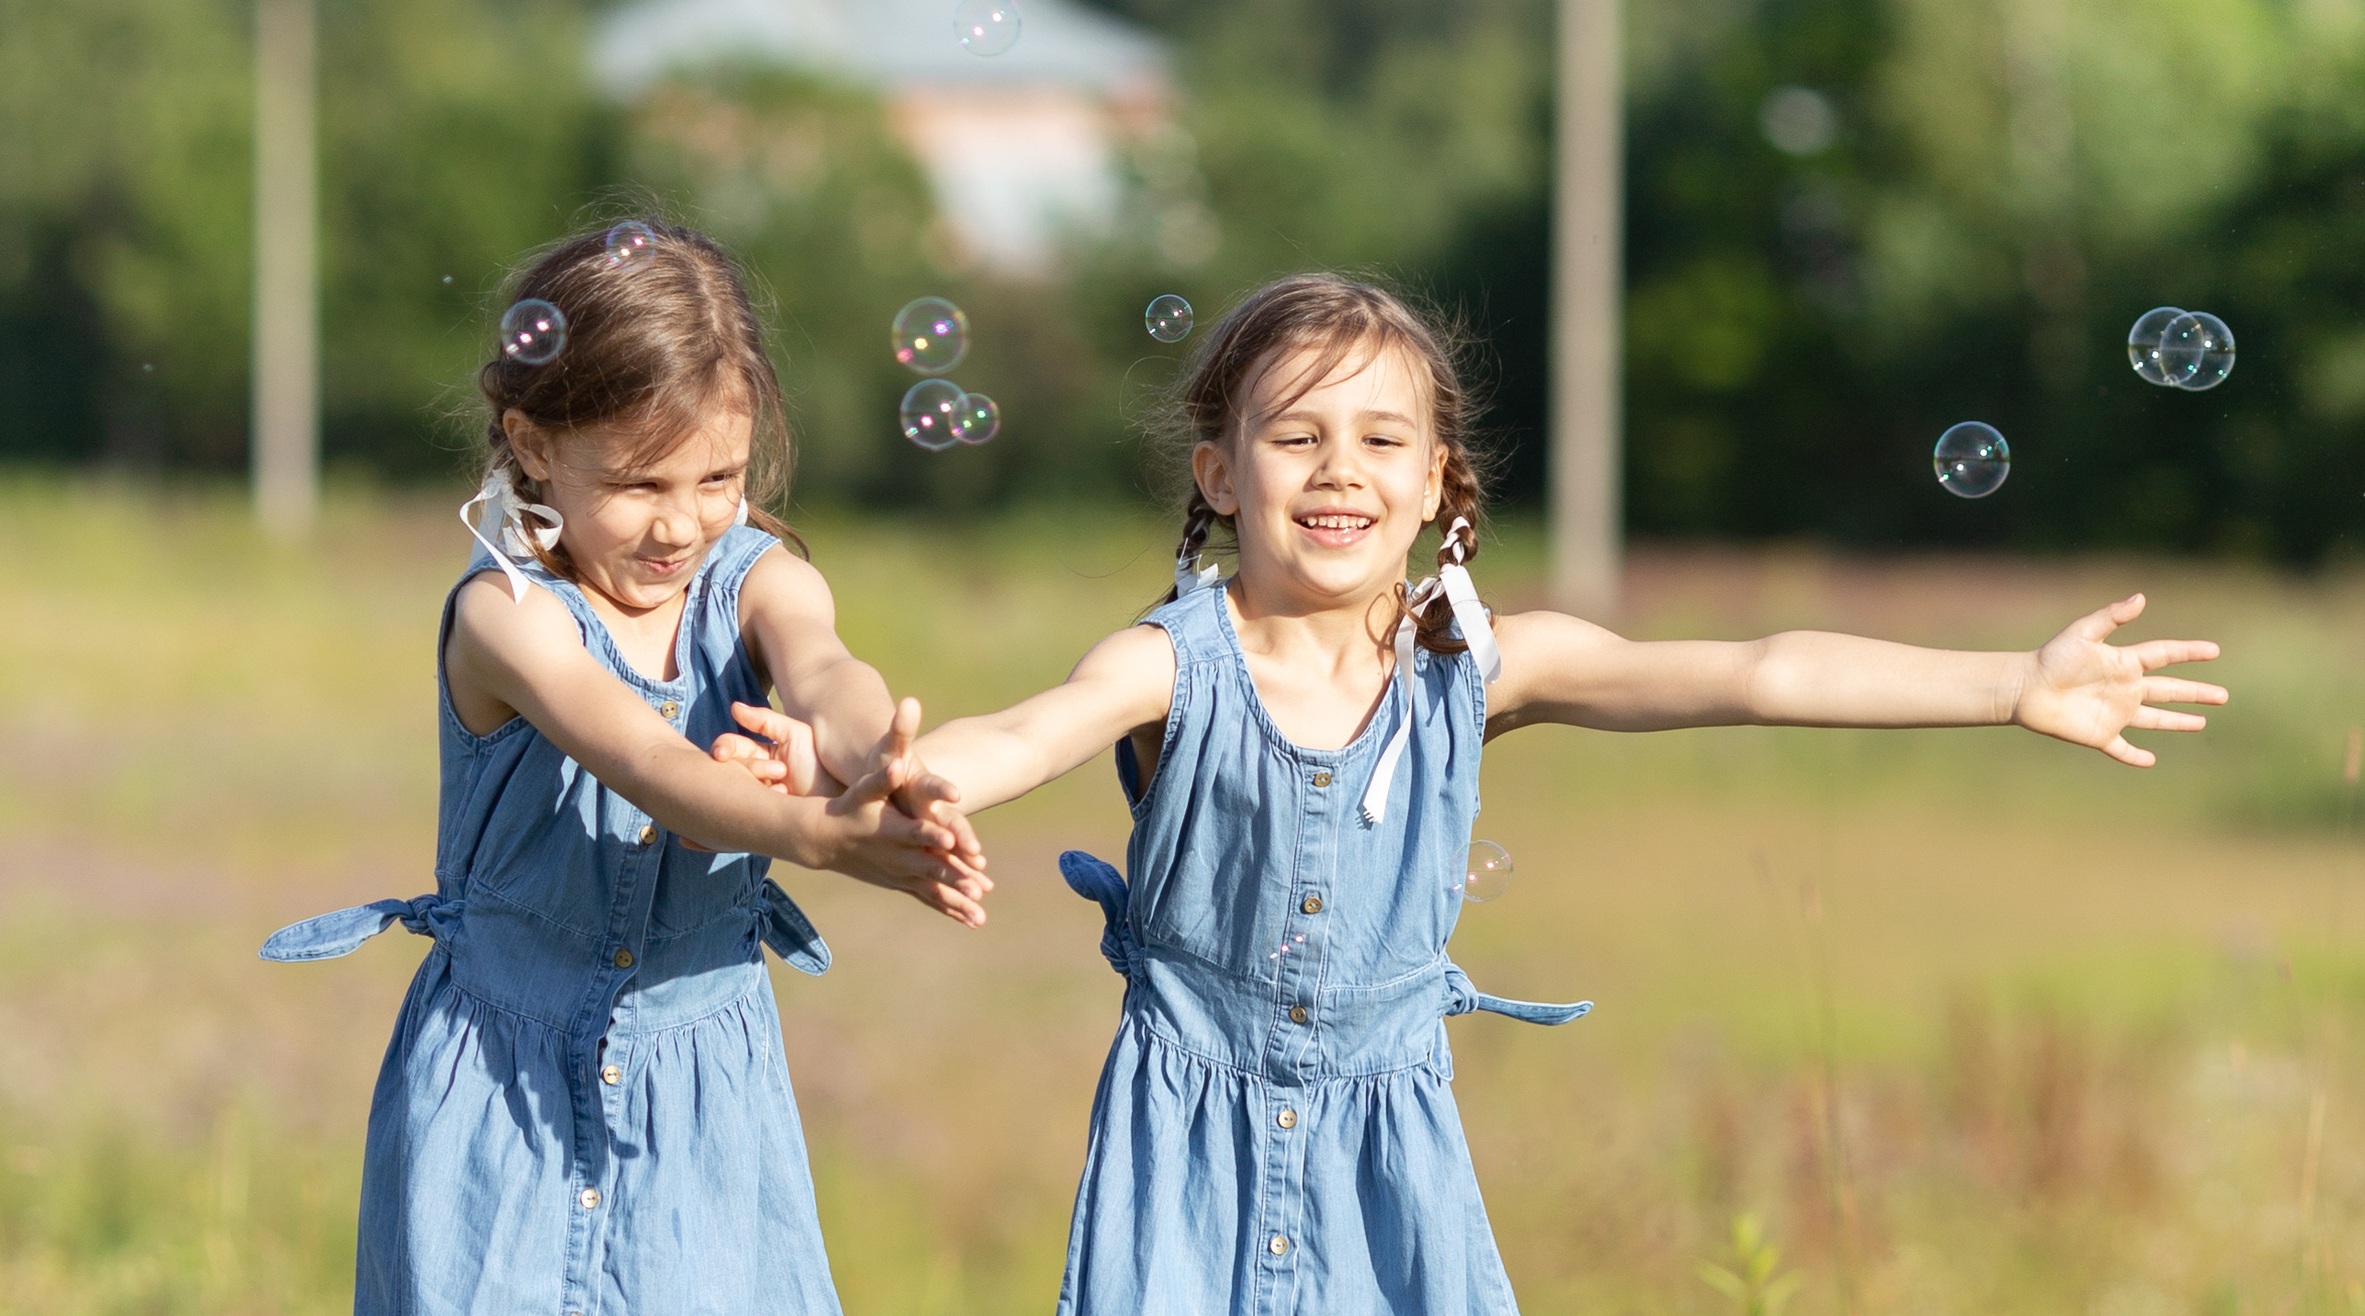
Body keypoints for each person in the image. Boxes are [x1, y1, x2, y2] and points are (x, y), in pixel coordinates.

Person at [740, 272, 2229, 1316]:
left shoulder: (1486, 664)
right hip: (1182, 1147)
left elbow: (1759, 665)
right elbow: (1031, 730)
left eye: (1383, 438)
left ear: (1442, 479)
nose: (1341, 469)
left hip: (1395, 1145)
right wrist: (909, 769)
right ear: (1217, 468)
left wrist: (2011, 684)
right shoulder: (1171, 660)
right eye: (1296, 433)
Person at [258, 220, 986, 1316]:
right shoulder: (506, 617)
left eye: (719, 476)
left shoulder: (755, 576)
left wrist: (878, 767)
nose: (683, 522)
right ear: (534, 442)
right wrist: (811, 838)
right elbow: (642, 756)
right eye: (642, 483)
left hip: (702, 1090)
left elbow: (829, 670)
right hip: (502, 1090)